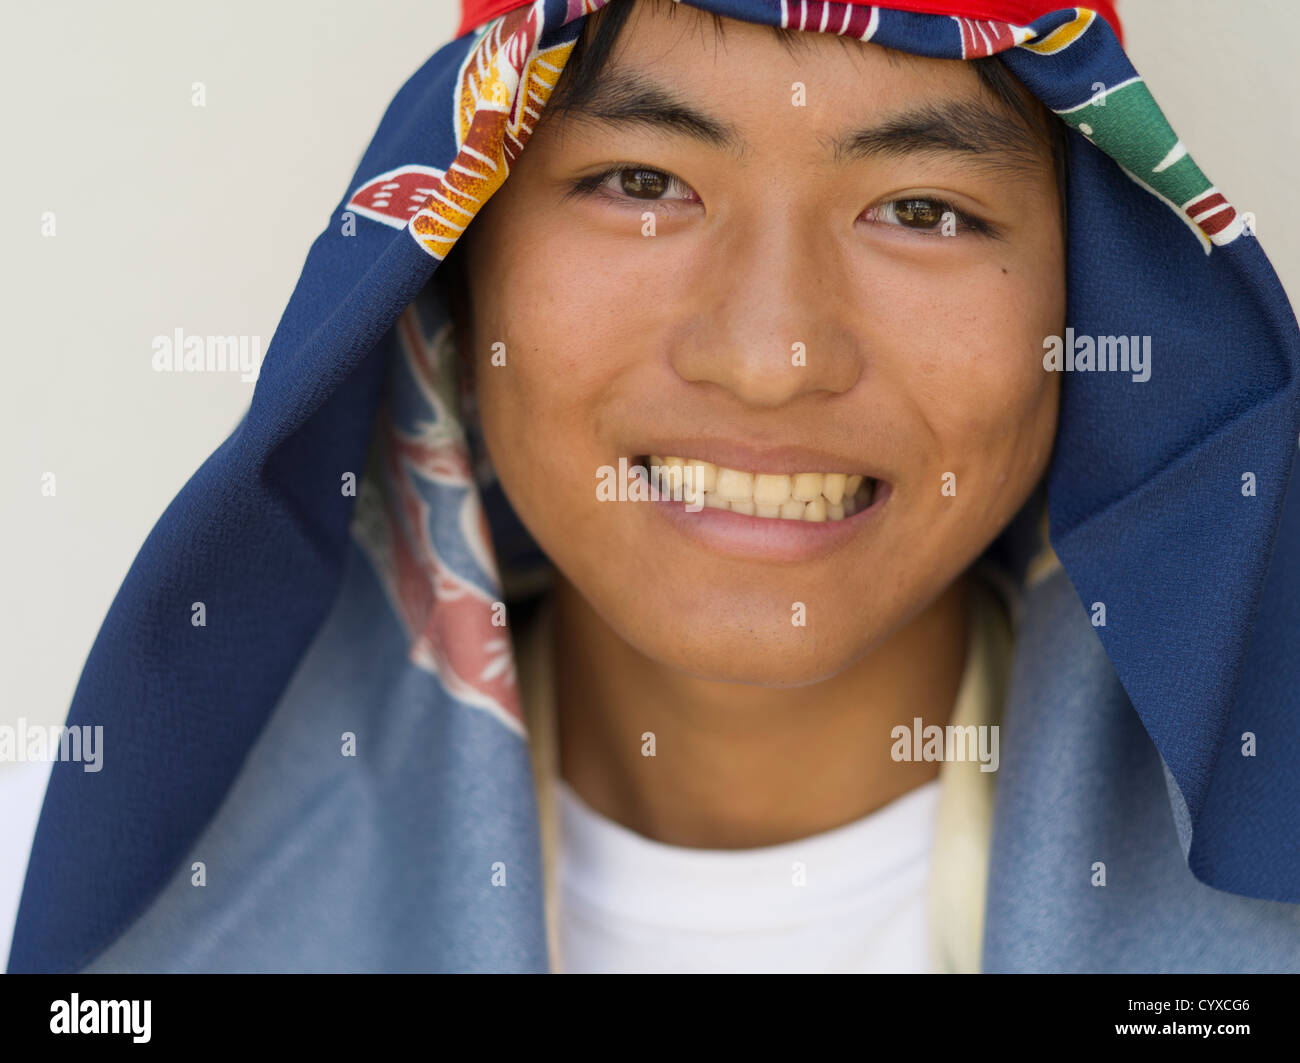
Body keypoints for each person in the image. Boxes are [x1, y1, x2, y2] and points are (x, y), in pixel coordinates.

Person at [9, 0, 1300, 974]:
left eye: (923, 209)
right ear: (452, 263)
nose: (768, 359)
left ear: (1095, 304)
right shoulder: (45, 884)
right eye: (641, 184)